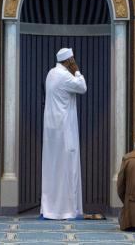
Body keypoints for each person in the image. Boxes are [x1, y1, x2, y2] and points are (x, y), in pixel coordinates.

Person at [40, 48, 87, 220]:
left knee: (53, 170)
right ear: (68, 62)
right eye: (72, 61)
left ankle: (50, 208)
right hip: (65, 132)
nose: (73, 63)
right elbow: (83, 87)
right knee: (68, 170)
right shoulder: (66, 76)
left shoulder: (51, 74)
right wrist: (77, 71)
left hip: (52, 133)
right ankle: (67, 210)